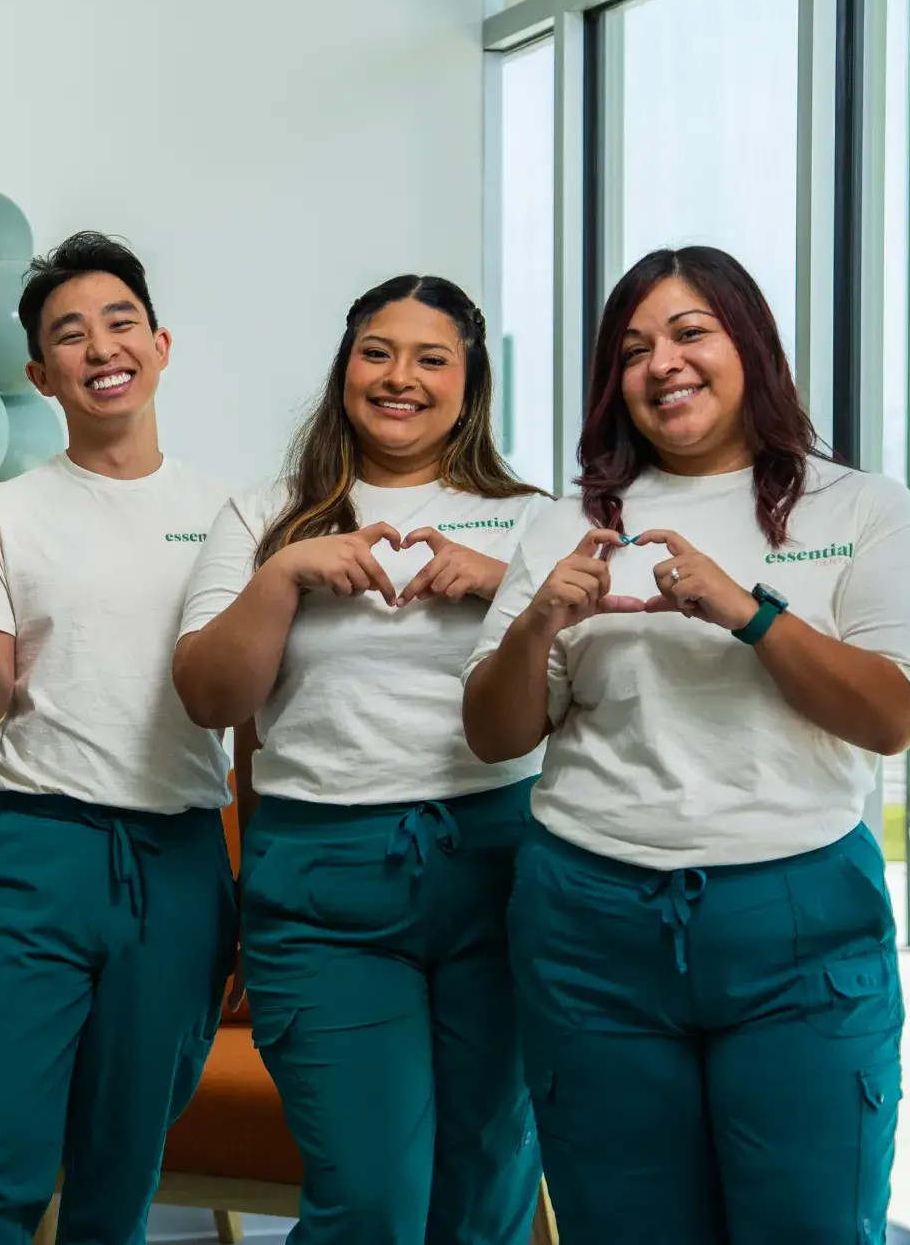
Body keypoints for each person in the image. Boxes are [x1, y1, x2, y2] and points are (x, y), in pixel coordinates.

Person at [462, 246, 910, 1245]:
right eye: (633, 348)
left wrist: (748, 612)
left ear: (750, 346)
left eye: (690, 333)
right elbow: (494, 735)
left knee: (809, 1224)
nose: (662, 364)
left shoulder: (859, 508)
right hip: (588, 921)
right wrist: (537, 621)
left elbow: (892, 716)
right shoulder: (565, 526)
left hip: (798, 918)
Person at [0, 232, 236, 1245]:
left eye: (121, 323)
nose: (100, 348)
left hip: (178, 861)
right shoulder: (2, 514)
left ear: (160, 345)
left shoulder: (230, 513)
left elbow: (251, 701)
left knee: (118, 1187)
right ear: (40, 374)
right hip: (40, 852)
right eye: (69, 334)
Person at [172, 275, 550, 1245]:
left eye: (431, 358)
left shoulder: (532, 522)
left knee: (484, 1198)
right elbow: (210, 699)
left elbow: (590, 693)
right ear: (344, 368)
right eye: (376, 352)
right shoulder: (266, 515)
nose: (399, 377)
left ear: (471, 382)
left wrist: (509, 588)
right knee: (370, 1205)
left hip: (500, 875)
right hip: (323, 892)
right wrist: (283, 577)